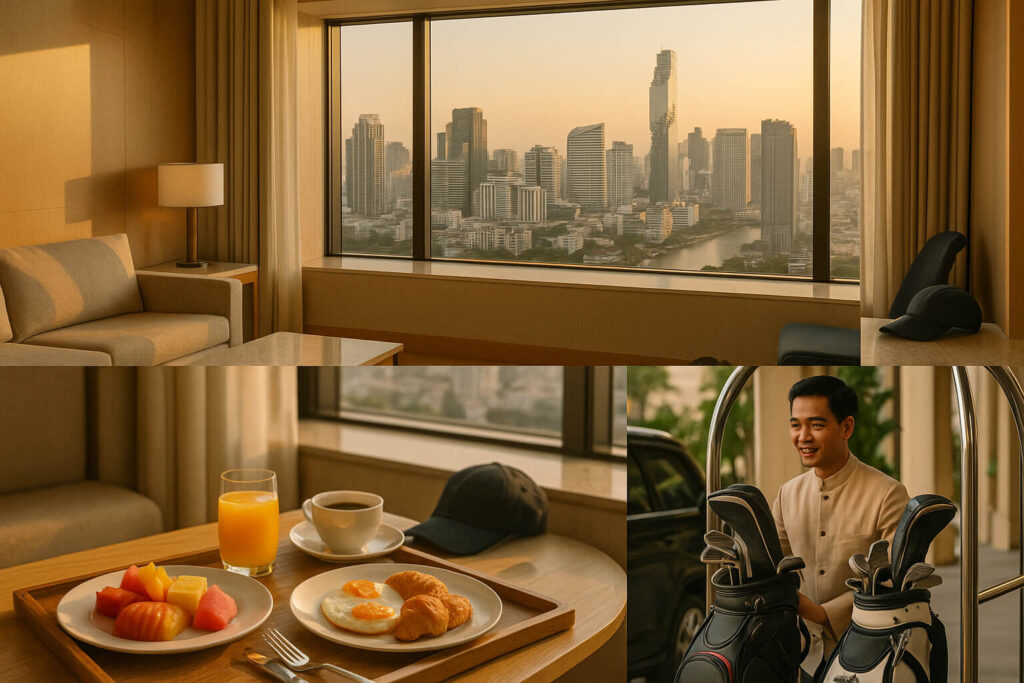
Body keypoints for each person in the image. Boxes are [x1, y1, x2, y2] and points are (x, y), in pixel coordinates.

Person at [771, 375, 909, 671]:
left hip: (869, 651)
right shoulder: (786, 494)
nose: (803, 436)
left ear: (846, 427)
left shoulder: (887, 494)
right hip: (799, 654)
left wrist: (824, 614)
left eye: (816, 425)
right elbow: (775, 565)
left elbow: (893, 580)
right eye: (796, 425)